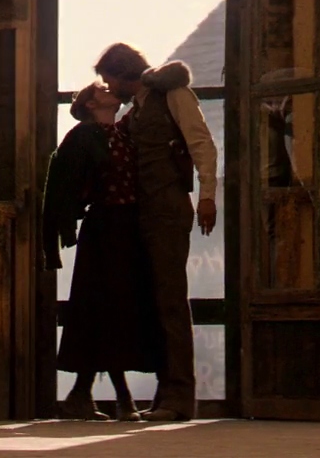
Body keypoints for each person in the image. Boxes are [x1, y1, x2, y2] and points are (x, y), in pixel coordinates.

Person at [95, 43, 219, 422]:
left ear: (122, 72)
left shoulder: (172, 95)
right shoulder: (137, 109)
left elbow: (201, 142)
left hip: (167, 207)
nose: (109, 87)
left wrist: (207, 196)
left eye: (109, 79)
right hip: (146, 211)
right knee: (157, 302)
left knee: (170, 300)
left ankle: (179, 396)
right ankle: (168, 393)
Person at [43, 83, 163, 422]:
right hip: (105, 228)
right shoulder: (84, 136)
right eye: (104, 89)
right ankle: (121, 398)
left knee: (112, 310)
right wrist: (65, 221)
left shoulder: (122, 133)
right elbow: (62, 183)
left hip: (128, 227)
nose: (112, 90)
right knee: (108, 308)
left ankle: (81, 394)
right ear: (92, 103)